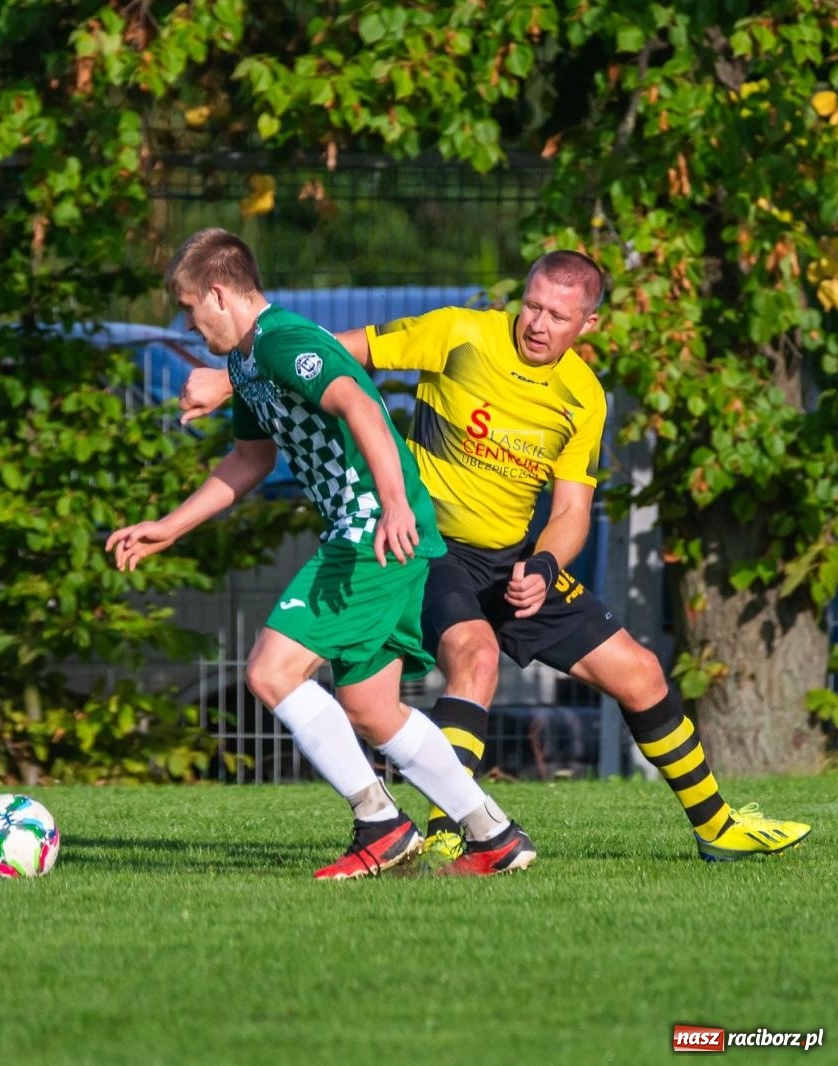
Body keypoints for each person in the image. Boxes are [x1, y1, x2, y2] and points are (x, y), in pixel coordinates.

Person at [177, 250, 811, 863]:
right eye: (532, 306)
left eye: (557, 317)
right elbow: (330, 356)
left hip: (515, 562)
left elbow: (570, 513)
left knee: (641, 672)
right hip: (431, 550)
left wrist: (542, 568)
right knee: (473, 658)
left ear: (587, 325)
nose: (537, 323)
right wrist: (234, 369)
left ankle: (717, 827)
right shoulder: (458, 333)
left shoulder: (583, 396)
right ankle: (458, 831)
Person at [109, 228, 535, 878]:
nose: (192, 327)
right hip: (368, 529)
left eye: (192, 310)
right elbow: (251, 459)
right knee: (371, 708)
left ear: (219, 294)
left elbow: (361, 402)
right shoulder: (250, 362)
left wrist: (393, 500)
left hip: (372, 530)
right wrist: (170, 526)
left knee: (271, 673)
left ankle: (381, 825)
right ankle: (494, 835)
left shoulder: (286, 341)